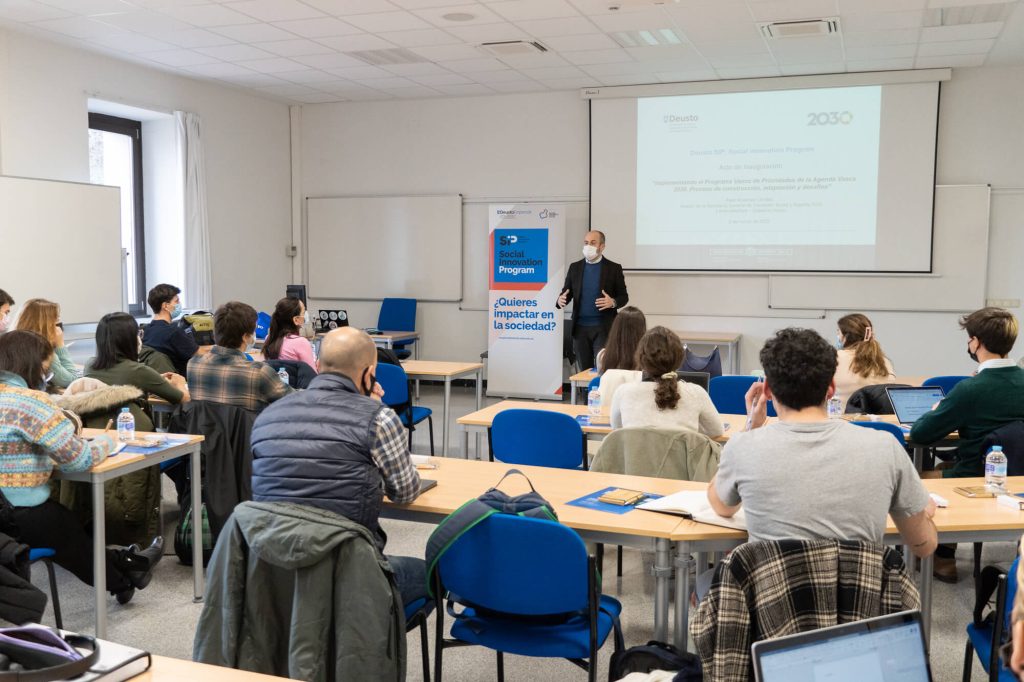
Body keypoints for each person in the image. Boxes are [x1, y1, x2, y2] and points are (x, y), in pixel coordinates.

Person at [707, 328, 937, 560]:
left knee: (710, 579)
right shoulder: (885, 447)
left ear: (767, 390)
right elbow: (924, 546)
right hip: (861, 584)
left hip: (771, 582)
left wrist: (751, 428)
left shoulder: (744, 446)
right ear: (831, 389)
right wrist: (920, 509)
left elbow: (722, 507)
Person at [249, 327, 426, 607]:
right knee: (431, 573)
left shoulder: (268, 416)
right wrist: (374, 408)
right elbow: (405, 493)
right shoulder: (379, 418)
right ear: (369, 374)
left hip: (273, 571)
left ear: (318, 365)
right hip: (349, 572)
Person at [0, 330, 161, 604]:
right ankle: (127, 574)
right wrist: (106, 442)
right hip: (18, 513)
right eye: (45, 369)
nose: (45, 375)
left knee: (69, 529)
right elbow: (79, 459)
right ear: (31, 365)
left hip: (6, 515)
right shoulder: (31, 403)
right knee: (68, 531)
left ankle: (129, 564)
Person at [910, 307, 1024, 582]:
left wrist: (938, 408)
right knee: (946, 466)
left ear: (977, 342)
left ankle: (942, 557)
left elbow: (921, 434)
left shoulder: (970, 389)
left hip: (975, 477)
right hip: (1018, 477)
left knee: (919, 479)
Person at [610, 326, 724, 438]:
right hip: (683, 451)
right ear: (680, 358)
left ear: (640, 358)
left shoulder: (623, 393)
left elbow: (617, 428)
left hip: (636, 451)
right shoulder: (696, 393)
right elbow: (716, 431)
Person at [85, 312, 189, 432]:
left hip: (98, 433)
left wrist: (155, 378)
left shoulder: (90, 365)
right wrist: (180, 383)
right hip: (134, 433)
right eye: (138, 334)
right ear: (128, 340)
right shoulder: (138, 371)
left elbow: (118, 380)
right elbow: (184, 399)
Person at [187, 301, 293, 412]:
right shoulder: (259, 372)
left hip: (205, 424)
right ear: (246, 337)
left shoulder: (193, 364)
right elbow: (294, 399)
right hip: (251, 424)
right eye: (253, 331)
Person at [556, 230, 629, 372]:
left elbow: (623, 296)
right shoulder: (575, 267)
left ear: (602, 246)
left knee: (604, 368)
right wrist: (560, 299)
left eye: (593, 243)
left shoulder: (613, 268)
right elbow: (566, 292)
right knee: (585, 371)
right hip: (580, 329)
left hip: (603, 328)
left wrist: (613, 302)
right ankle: (586, 388)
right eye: (586, 243)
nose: (588, 246)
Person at [833, 313, 895, 412]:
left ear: (845, 337)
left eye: (838, 332)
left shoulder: (834, 358)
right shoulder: (884, 361)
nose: (837, 336)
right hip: (879, 421)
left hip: (841, 419)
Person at [14, 298, 77, 389]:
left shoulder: (14, 341)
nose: (58, 326)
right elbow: (71, 380)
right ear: (45, 324)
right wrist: (60, 344)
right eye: (56, 321)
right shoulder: (41, 349)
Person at [142, 284, 199, 377]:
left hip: (155, 380)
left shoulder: (146, 330)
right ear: (165, 306)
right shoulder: (174, 332)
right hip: (178, 381)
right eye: (176, 301)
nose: (179, 304)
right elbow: (199, 354)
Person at [597, 306, 646, 409]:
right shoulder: (647, 356)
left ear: (616, 329)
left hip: (608, 409)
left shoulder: (603, 355)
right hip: (638, 408)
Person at [262, 296, 316, 372]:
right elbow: (312, 373)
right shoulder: (301, 342)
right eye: (304, 312)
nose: (305, 315)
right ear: (296, 320)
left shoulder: (269, 338)